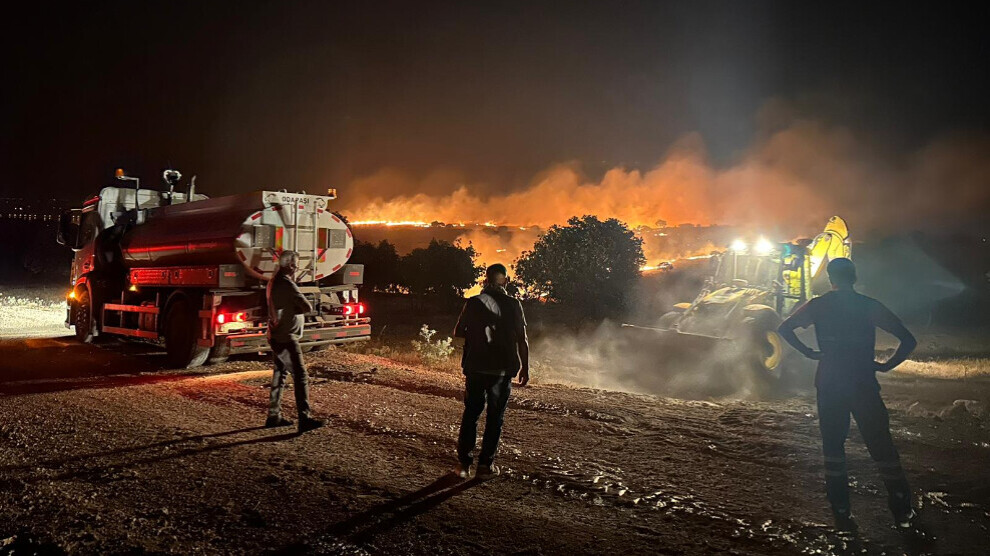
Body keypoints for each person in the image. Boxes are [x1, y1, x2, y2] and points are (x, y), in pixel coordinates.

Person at [778, 257, 918, 532]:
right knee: (881, 446)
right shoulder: (868, 306)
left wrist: (809, 353)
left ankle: (841, 510)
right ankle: (902, 508)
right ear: (854, 277)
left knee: (833, 448)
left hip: (829, 384)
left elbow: (784, 328)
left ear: (831, 277)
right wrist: (886, 365)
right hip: (863, 383)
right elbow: (908, 339)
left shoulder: (818, 305)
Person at [453, 263, 530, 479]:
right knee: (495, 417)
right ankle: (485, 467)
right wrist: (525, 366)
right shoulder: (514, 304)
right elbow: (522, 339)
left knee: (471, 415)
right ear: (505, 280)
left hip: (476, 367)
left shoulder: (473, 302)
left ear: (486, 280)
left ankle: (463, 466)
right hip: (502, 370)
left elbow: (458, 331)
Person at [266, 251, 325, 433]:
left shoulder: (274, 281)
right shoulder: (286, 283)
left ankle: (273, 416)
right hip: (286, 337)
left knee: (280, 375)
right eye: (296, 264)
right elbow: (306, 306)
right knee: (300, 375)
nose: (297, 267)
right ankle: (304, 418)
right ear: (291, 265)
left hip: (276, 335)